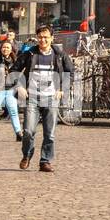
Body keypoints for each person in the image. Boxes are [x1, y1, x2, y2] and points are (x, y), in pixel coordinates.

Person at [16, 26, 72, 171]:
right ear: (37, 37)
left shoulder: (59, 54)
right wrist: (20, 86)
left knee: (50, 133)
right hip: (32, 97)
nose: (43, 40)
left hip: (51, 97)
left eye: (46, 37)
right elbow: (14, 70)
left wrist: (62, 89)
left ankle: (45, 161)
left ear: (52, 38)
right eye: (40, 37)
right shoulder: (29, 54)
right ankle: (27, 155)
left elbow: (70, 72)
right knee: (28, 131)